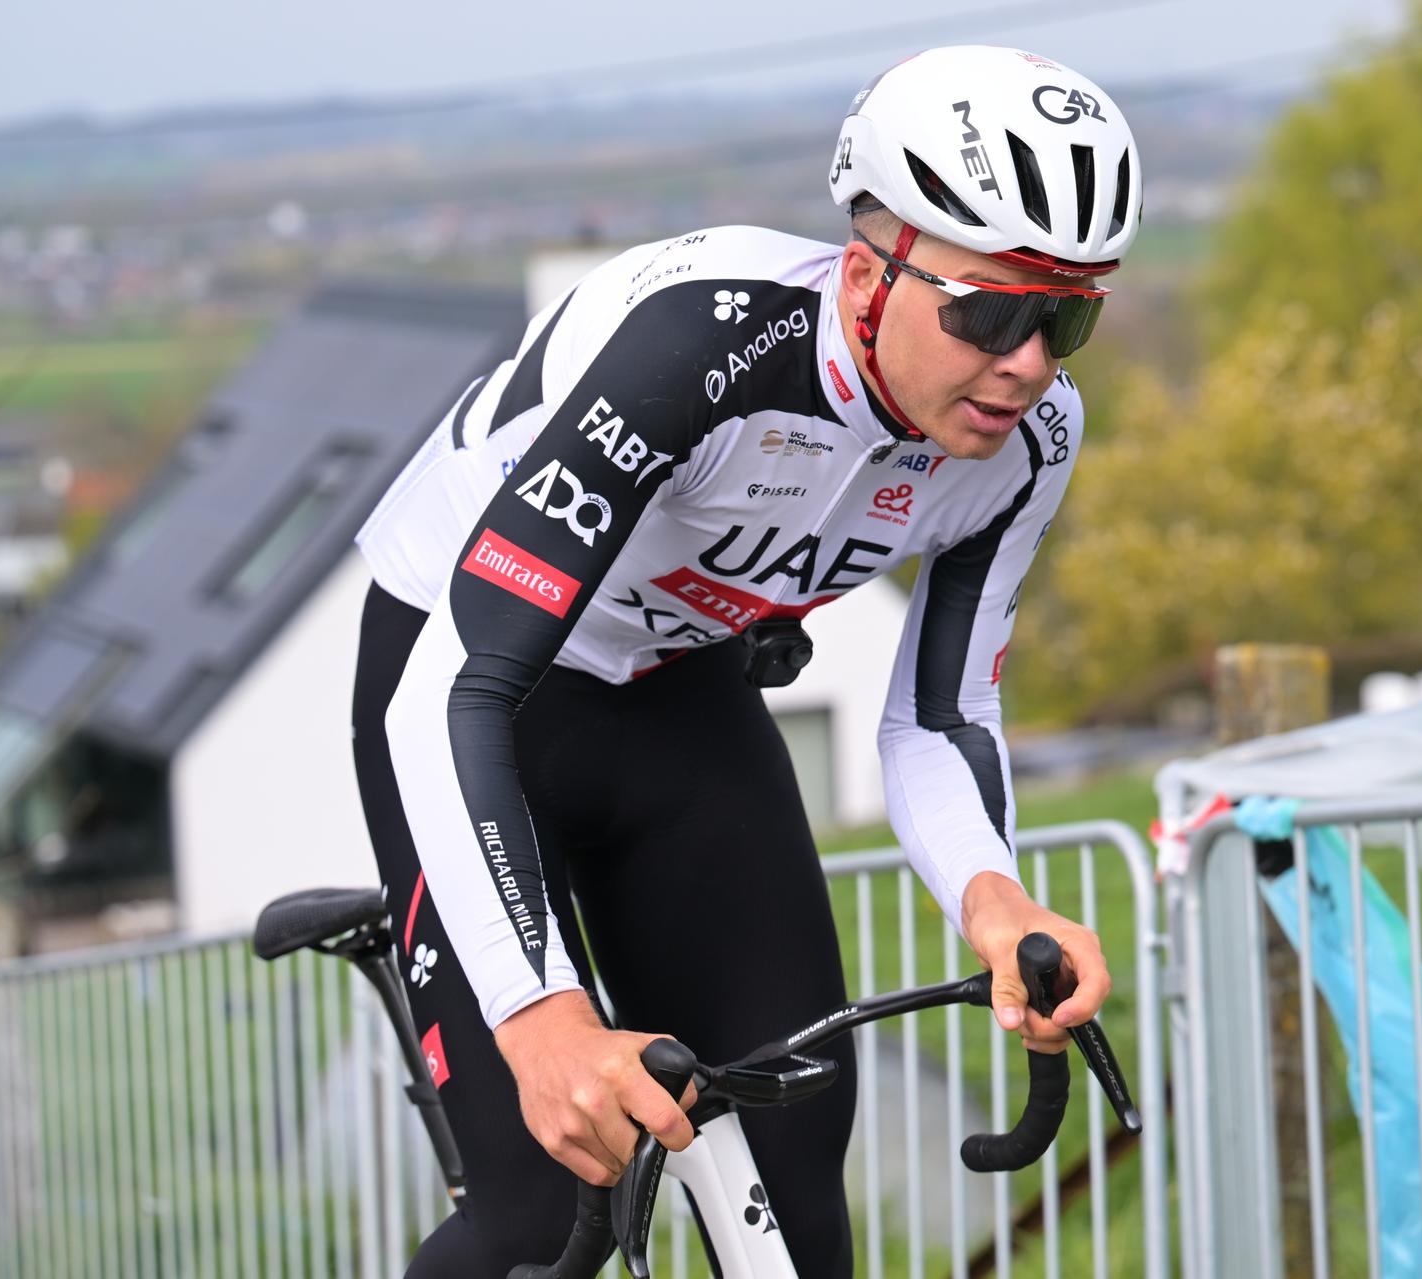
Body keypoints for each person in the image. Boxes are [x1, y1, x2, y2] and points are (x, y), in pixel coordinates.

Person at [347, 43, 1144, 1277]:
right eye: (990, 310)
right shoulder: (699, 343)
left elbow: (941, 714)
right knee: (544, 1209)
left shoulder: (1030, 440)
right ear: (870, 270)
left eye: (1067, 316)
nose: (1028, 361)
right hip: (471, 690)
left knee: (793, 1171)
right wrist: (542, 1014)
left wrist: (998, 899)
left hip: (679, 692)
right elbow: (456, 687)